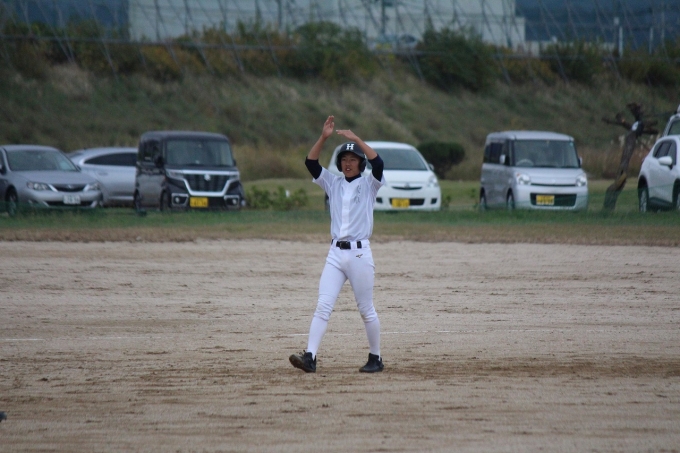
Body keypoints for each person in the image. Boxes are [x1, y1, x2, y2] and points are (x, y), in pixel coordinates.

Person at [289, 115, 386, 373]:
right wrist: (323, 138)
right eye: (344, 159)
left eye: (353, 159)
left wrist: (356, 140)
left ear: (360, 163)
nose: (348, 163)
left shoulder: (370, 184)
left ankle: (375, 358)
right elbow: (311, 163)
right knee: (323, 305)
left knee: (366, 309)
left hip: (359, 255)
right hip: (334, 254)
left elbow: (379, 163)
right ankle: (310, 357)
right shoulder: (333, 183)